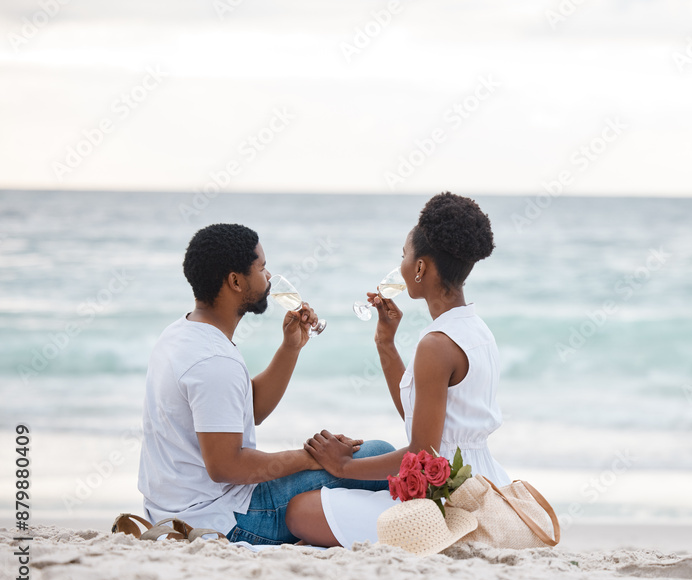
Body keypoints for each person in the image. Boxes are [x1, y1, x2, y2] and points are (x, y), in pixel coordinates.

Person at [137, 223, 394, 546]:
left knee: (368, 460)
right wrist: (314, 458)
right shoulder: (214, 361)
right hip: (223, 518)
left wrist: (290, 348)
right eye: (261, 267)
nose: (269, 277)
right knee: (380, 456)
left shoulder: (180, 333)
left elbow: (248, 410)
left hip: (173, 508)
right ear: (235, 281)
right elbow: (226, 466)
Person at [285, 192, 510, 547]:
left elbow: (422, 452)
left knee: (299, 511)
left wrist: (342, 467)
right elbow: (421, 418)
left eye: (404, 256)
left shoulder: (436, 344)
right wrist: (386, 344)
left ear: (420, 268)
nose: (402, 264)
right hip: (484, 483)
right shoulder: (477, 330)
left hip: (444, 498)